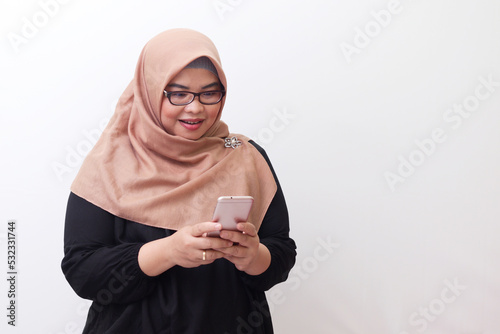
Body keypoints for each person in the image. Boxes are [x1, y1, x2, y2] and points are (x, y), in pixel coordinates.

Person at [61, 28, 296, 334]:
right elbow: (82, 270)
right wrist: (168, 252)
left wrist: (254, 257)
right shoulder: (111, 160)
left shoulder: (243, 153)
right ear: (149, 91)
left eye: (209, 93)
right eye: (178, 93)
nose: (196, 107)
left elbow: (281, 250)